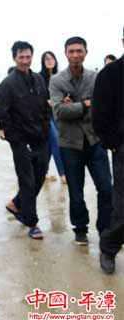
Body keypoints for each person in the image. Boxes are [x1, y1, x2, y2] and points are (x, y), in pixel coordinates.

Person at [50, 36, 113, 245]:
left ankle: (105, 229)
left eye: (79, 50)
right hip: (69, 144)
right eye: (71, 51)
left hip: (95, 141)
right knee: (76, 192)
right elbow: (59, 111)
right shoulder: (57, 80)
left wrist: (74, 106)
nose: (75, 55)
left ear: (86, 51)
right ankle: (80, 229)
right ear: (65, 53)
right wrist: (85, 105)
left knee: (105, 188)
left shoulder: (96, 77)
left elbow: (102, 107)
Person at [0, 41, 51, 240]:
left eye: (28, 57)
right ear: (14, 58)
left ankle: (16, 203)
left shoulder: (38, 79)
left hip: (41, 139)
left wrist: (45, 129)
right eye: (21, 57)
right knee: (27, 182)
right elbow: (2, 117)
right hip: (21, 142)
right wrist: (17, 140)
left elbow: (46, 107)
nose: (25, 61)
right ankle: (32, 223)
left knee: (40, 176)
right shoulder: (7, 85)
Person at [93, 29, 123, 273]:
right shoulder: (110, 74)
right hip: (123, 149)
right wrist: (116, 144)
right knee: (123, 208)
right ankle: (109, 247)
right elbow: (100, 118)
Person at [39, 51, 66, 184]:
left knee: (50, 146)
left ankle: (42, 173)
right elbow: (37, 97)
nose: (49, 61)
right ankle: (63, 174)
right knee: (56, 141)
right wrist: (47, 101)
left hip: (59, 114)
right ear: (43, 62)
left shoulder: (60, 76)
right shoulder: (39, 77)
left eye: (51, 58)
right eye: (46, 59)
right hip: (45, 115)